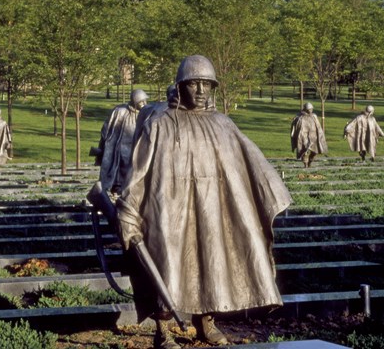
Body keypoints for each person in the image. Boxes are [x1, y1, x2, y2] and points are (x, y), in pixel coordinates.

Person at [116, 55, 291, 348]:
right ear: (181, 85)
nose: (200, 90)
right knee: (169, 264)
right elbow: (139, 172)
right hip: (169, 209)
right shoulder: (161, 123)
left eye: (206, 84)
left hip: (212, 208)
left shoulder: (223, 124)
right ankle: (164, 330)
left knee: (211, 261)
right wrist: (128, 211)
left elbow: (249, 167)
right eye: (194, 83)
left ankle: (206, 322)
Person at [94, 89, 148, 195]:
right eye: (140, 102)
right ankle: (117, 188)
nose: (143, 104)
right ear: (134, 101)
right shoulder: (121, 111)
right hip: (122, 147)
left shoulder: (145, 114)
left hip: (138, 147)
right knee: (121, 169)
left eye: (144, 101)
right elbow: (107, 128)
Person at [290, 102, 328, 168]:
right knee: (303, 151)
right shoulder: (299, 117)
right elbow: (294, 128)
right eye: (309, 109)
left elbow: (318, 127)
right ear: (305, 109)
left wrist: (321, 135)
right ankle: (305, 164)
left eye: (311, 109)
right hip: (302, 137)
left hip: (314, 137)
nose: (311, 111)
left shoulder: (314, 116)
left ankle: (310, 162)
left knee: (315, 151)